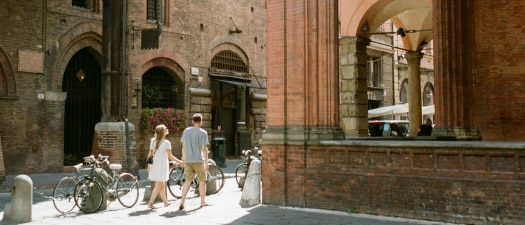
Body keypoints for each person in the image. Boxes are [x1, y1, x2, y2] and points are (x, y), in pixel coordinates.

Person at [147, 124, 184, 209]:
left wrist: (149, 165)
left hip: (155, 164)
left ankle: (165, 202)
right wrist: (180, 162)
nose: (167, 129)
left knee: (162, 184)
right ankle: (150, 203)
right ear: (163, 132)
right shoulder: (166, 143)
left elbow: (150, 154)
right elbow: (170, 156)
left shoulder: (153, 140)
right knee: (159, 184)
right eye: (165, 129)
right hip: (162, 165)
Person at [179, 113, 210, 210]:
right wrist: (206, 162)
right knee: (202, 181)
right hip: (198, 160)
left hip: (188, 160)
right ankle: (202, 201)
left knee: (187, 181)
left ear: (193, 121)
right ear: (201, 122)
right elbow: (204, 149)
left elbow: (183, 146)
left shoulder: (186, 131)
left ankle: (182, 201)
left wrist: (183, 158)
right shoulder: (203, 133)